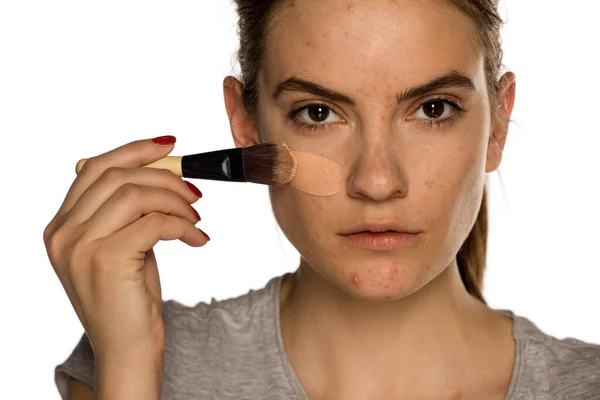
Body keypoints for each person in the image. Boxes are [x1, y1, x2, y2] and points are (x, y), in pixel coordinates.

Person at [45, 0, 600, 399]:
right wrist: (129, 364)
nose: (377, 182)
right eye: (319, 113)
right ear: (245, 122)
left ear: (497, 125)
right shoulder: (144, 361)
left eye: (433, 109)